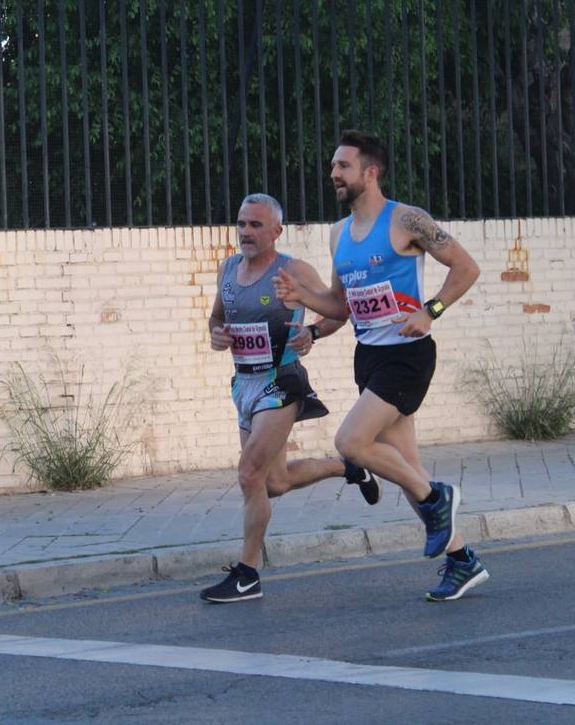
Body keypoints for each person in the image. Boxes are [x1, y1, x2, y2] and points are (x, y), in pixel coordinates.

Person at [273, 130, 488, 601]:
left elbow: (466, 268)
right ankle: (461, 560)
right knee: (404, 465)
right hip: (368, 356)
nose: (333, 173)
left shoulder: (407, 220)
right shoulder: (338, 235)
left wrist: (429, 310)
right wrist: (306, 313)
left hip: (407, 356)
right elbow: (340, 304)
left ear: (370, 172)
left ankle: (439, 498)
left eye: (343, 166)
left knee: (351, 442)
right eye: (333, 166)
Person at [199, 192, 381, 604]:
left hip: (281, 381)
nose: (246, 232)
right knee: (274, 483)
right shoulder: (227, 269)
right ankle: (348, 469)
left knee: (249, 474)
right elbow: (216, 318)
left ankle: (247, 574)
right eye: (242, 223)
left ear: (277, 231)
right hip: (242, 384)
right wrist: (216, 334)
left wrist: (311, 332)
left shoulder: (293, 270)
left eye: (256, 225)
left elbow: (339, 309)